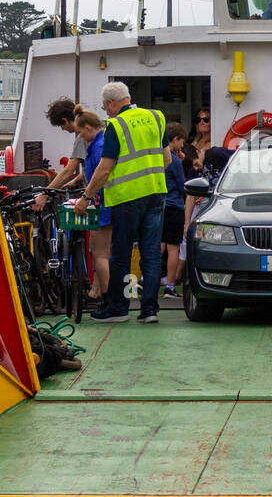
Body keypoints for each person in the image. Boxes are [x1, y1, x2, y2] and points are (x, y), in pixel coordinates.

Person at [74, 81, 170, 324]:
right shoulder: (156, 117)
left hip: (127, 198)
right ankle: (149, 310)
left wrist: (86, 197)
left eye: (106, 107)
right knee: (150, 253)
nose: (106, 112)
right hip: (157, 193)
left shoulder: (115, 125)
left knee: (121, 254)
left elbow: (105, 168)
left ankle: (118, 308)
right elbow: (167, 159)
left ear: (111, 104)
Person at [72, 111, 112, 304]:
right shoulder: (100, 143)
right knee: (104, 253)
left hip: (103, 204)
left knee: (99, 254)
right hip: (107, 203)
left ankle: (109, 299)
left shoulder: (99, 147)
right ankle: (98, 292)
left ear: (88, 127)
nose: (80, 136)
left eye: (80, 131)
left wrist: (86, 198)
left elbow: (101, 173)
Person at [32, 97, 89, 211]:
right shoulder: (95, 128)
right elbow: (98, 165)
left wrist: (44, 194)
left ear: (65, 120)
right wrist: (77, 179)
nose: (63, 129)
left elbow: (68, 170)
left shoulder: (82, 137)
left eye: (61, 125)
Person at [181, 146, 232, 267]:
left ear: (198, 152)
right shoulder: (193, 170)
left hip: (225, 201)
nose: (195, 168)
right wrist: (187, 224)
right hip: (207, 203)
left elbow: (238, 160)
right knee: (189, 235)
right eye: (193, 167)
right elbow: (190, 196)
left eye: (196, 164)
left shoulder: (216, 153)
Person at [161, 123, 188, 296]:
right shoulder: (175, 161)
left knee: (158, 245)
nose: (182, 146)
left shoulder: (159, 157)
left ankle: (145, 280)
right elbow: (182, 186)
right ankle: (170, 287)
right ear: (175, 139)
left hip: (159, 206)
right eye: (182, 142)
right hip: (174, 207)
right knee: (173, 249)